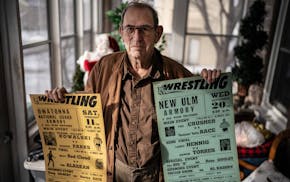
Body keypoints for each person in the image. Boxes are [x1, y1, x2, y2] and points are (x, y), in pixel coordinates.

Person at [46, 1, 221, 181]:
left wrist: (211, 85)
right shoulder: (104, 68)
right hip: (113, 173)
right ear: (121, 32)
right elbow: (87, 113)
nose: (137, 37)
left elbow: (208, 121)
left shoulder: (177, 74)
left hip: (157, 175)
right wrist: (63, 101)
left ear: (157, 33)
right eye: (130, 29)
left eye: (145, 29)